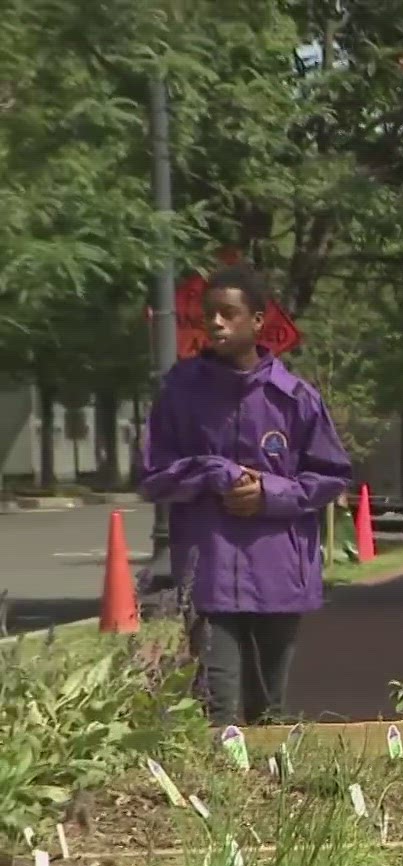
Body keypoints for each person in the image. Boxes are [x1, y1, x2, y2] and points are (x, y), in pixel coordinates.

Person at [137, 262, 354, 726]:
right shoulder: (180, 392)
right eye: (208, 314)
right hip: (209, 573)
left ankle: (273, 794)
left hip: (279, 573)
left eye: (228, 314)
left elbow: (332, 475)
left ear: (258, 322)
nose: (215, 322)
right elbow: (153, 475)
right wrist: (211, 473)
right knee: (215, 708)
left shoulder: (295, 399)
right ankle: (218, 789)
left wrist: (269, 494)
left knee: (269, 712)